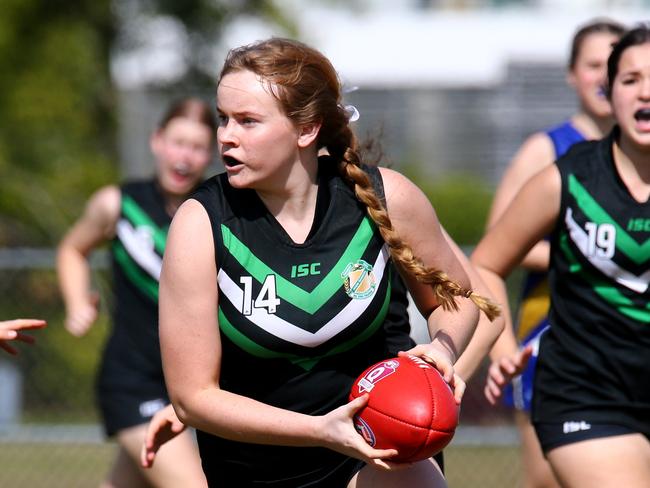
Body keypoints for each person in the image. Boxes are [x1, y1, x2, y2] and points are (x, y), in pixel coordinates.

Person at [157, 37, 501, 488]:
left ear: (307, 129)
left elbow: (458, 299)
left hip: (378, 453)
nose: (225, 136)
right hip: (255, 473)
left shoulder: (384, 197)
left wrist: (443, 349)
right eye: (223, 119)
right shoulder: (201, 223)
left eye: (247, 121)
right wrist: (321, 431)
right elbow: (193, 398)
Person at [472, 25, 650, 488]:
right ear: (607, 90)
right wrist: (504, 348)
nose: (646, 91)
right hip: (586, 389)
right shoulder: (562, 174)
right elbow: (487, 260)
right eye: (630, 79)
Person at [56, 98, 215, 488]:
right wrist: (77, 302)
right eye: (178, 142)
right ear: (157, 141)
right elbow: (72, 250)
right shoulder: (118, 204)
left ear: (210, 154)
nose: (185, 157)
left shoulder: (217, 209)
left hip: (193, 385)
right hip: (133, 381)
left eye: (197, 148)